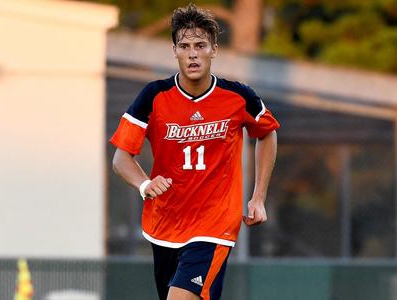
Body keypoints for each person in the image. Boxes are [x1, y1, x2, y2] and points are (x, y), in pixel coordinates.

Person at [110, 4, 279, 300]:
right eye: (185, 46)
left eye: (200, 45)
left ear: (214, 49)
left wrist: (258, 196)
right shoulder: (154, 96)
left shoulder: (238, 97)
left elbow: (267, 133)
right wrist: (145, 184)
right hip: (163, 225)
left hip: (214, 226)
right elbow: (121, 158)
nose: (193, 53)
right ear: (174, 50)